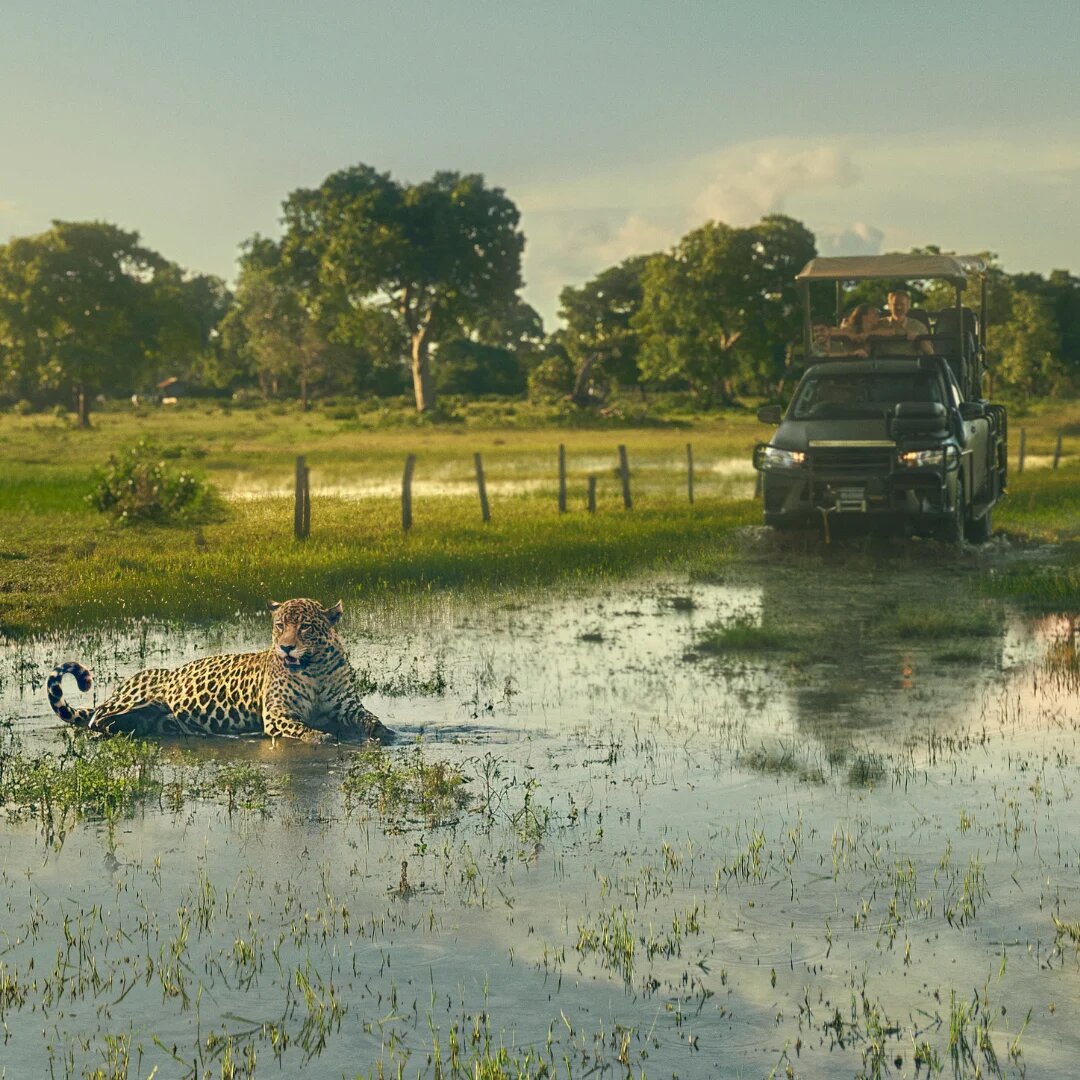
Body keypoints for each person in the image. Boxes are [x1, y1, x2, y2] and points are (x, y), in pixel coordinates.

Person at [875, 289, 932, 356]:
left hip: (912, 364)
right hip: (883, 364)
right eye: (895, 304)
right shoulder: (879, 324)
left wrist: (919, 338)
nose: (898, 307)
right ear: (889, 306)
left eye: (902, 304)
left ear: (908, 306)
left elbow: (930, 353)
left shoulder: (919, 326)